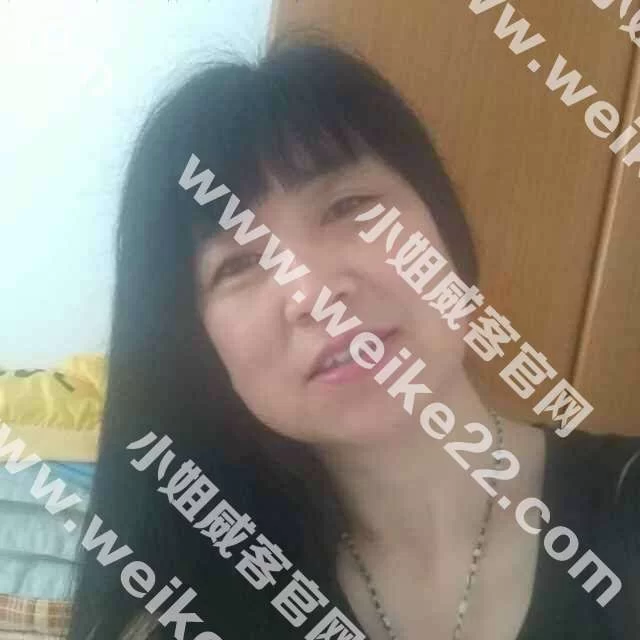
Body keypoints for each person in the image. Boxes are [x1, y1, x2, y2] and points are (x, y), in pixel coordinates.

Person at [68, 38, 640, 640]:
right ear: (199, 347)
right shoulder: (188, 605)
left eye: (349, 207)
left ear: (445, 230)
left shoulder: (623, 503)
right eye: (237, 264)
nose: (312, 292)